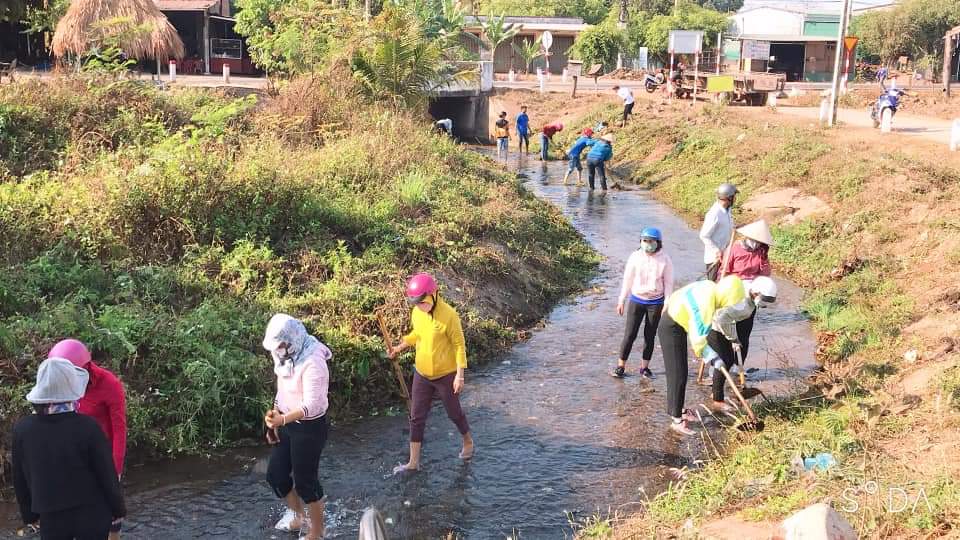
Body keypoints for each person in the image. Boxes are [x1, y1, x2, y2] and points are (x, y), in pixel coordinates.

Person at [13, 357, 126, 540]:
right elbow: (106, 473)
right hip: (92, 513)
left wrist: (29, 515)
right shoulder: (88, 426)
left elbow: (20, 478)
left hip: (50, 516)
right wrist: (118, 509)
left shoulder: (22, 429)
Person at [388, 273, 473, 473]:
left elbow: (459, 345)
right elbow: (418, 333)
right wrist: (400, 347)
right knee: (416, 417)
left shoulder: (449, 315)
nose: (420, 307)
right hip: (422, 373)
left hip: (446, 375)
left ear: (434, 294)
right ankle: (413, 462)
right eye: (416, 304)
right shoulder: (418, 313)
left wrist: (459, 375)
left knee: (454, 413)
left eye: (423, 303)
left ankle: (468, 441)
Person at [47, 339, 127, 540]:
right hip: (74, 461)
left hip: (102, 458)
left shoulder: (110, 385)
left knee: (112, 520)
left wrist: (115, 470)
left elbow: (119, 430)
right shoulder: (60, 386)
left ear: (84, 368)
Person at [262, 313, 331, 540]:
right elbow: (282, 388)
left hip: (310, 428)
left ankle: (317, 532)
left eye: (281, 345)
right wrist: (275, 414)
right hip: (287, 423)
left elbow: (313, 404)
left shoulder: (313, 361)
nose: (278, 350)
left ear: (292, 340)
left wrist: (283, 420)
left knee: (305, 482)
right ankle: (298, 515)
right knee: (276, 475)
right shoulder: (284, 355)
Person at [657, 275, 747, 435]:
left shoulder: (711, 287)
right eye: (731, 303)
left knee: (679, 373)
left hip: (677, 321)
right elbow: (698, 342)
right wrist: (714, 358)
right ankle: (677, 421)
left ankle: (678, 409)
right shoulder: (706, 304)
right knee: (678, 374)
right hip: (671, 325)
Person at [706, 276, 778, 411]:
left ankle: (717, 391)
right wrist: (733, 338)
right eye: (765, 300)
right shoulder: (742, 305)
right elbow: (722, 320)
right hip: (713, 324)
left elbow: (730, 318)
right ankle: (717, 399)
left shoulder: (747, 287)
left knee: (727, 358)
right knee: (724, 360)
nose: (766, 304)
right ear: (756, 293)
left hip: (724, 320)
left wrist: (735, 338)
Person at [613, 227, 674, 379]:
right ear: (640, 241)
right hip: (637, 300)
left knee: (650, 336)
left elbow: (669, 283)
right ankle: (621, 366)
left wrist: (667, 302)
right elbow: (628, 279)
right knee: (630, 335)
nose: (647, 244)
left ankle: (644, 368)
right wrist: (621, 300)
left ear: (658, 243)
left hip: (656, 302)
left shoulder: (665, 259)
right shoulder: (635, 257)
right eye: (644, 241)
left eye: (651, 241)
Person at [719, 219, 774, 367]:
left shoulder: (761, 252)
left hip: (752, 294)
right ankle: (722, 365)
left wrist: (763, 259)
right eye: (754, 240)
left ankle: (739, 366)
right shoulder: (733, 249)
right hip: (733, 291)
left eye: (759, 241)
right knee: (727, 328)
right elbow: (724, 272)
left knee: (744, 332)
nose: (756, 243)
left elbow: (765, 275)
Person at [700, 182, 737, 281]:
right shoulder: (714, 214)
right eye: (734, 196)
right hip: (714, 259)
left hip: (725, 255)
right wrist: (717, 251)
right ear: (729, 198)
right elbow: (704, 235)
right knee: (712, 287)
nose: (735, 199)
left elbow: (728, 226)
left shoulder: (727, 210)